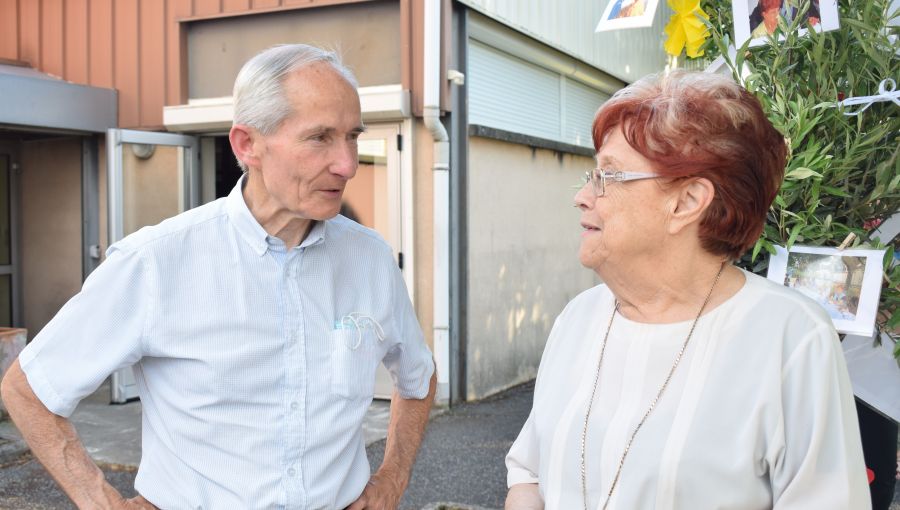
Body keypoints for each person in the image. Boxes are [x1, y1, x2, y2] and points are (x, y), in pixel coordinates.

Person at [0, 44, 436, 509]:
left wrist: (392, 477)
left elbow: (418, 377)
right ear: (247, 145)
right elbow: (29, 389)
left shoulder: (369, 258)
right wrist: (99, 501)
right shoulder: (156, 262)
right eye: (320, 138)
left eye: (352, 136)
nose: (347, 164)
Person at [504, 70, 869, 509]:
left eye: (608, 176)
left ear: (687, 202)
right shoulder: (577, 318)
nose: (582, 196)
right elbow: (528, 472)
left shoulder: (789, 337)